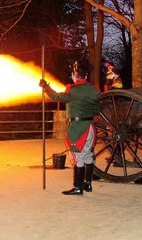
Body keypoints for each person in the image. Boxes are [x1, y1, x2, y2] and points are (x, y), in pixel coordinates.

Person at [39, 60, 100, 196]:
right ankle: (88, 184)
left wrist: (46, 87)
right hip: (90, 127)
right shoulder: (94, 89)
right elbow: (96, 108)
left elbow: (55, 96)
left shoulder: (72, 90)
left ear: (75, 75)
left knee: (77, 157)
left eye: (73, 74)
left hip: (78, 129)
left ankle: (78, 187)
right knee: (87, 155)